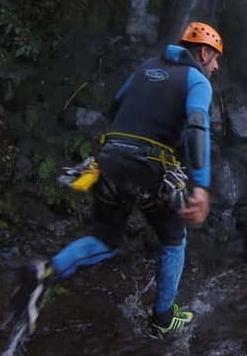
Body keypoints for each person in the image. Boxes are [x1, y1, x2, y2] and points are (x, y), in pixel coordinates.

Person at [12, 21, 222, 337]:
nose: (217, 66)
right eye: (216, 58)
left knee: (106, 238)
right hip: (149, 165)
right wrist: (201, 184)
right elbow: (196, 123)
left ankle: (46, 273)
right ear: (204, 52)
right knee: (173, 237)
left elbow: (116, 104)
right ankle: (163, 318)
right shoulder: (197, 80)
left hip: (108, 160)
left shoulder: (144, 68)